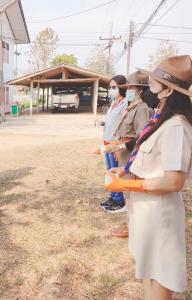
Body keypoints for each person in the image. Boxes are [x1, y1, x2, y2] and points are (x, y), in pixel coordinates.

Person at [106, 55, 192, 299]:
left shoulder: (176, 126)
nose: (147, 90)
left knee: (159, 274)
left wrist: (127, 184)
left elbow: (174, 181)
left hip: (159, 211)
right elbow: (149, 158)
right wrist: (125, 171)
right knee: (146, 270)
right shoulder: (159, 121)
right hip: (145, 208)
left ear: (167, 91)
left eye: (152, 85)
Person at [102, 71, 150, 214]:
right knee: (125, 188)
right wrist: (117, 145)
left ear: (139, 90)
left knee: (130, 190)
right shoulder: (131, 107)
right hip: (122, 153)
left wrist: (121, 145)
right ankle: (128, 221)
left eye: (130, 88)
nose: (127, 91)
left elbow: (143, 136)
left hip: (130, 155)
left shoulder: (142, 108)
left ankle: (130, 221)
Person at [99, 75, 128, 211]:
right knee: (110, 171)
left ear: (122, 87)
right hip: (107, 142)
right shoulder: (113, 102)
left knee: (117, 171)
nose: (111, 89)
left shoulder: (126, 103)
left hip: (115, 144)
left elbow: (124, 125)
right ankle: (113, 196)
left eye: (114, 87)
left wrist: (118, 145)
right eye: (110, 87)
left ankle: (119, 200)